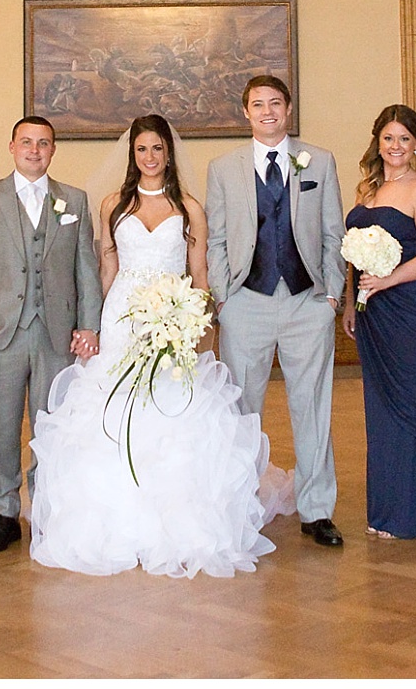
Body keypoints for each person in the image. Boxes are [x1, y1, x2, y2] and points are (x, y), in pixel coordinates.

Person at [31, 115, 287, 577]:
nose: (149, 158)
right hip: (122, 318)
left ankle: (179, 525)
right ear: (133, 155)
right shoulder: (113, 204)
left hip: (173, 319)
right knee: (110, 413)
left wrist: (194, 327)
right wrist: (92, 325)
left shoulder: (189, 207)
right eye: (141, 150)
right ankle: (112, 523)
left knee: (173, 414)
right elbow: (104, 271)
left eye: (157, 149)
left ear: (169, 153)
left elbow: (201, 277)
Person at [205, 75, 347, 547]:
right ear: (245, 112)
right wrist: (224, 296)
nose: (267, 111)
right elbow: (218, 239)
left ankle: (317, 508)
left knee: (312, 406)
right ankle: (241, 504)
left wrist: (331, 295)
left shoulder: (319, 161)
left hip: (308, 302)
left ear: (288, 108)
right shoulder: (223, 168)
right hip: (247, 303)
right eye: (257, 104)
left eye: (275, 103)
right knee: (243, 410)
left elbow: (332, 232)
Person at [0, 116, 103, 555]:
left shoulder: (73, 199)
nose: (34, 150)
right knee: (1, 425)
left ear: (53, 150)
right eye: (26, 142)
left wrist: (89, 324)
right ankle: (3, 513)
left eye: (43, 143)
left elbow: (86, 269)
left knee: (51, 425)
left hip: (55, 332)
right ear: (11, 147)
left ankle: (47, 508)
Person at [339, 104, 416, 541]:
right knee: (379, 410)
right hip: (371, 313)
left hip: (411, 309)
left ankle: (413, 514)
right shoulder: (367, 188)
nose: (396, 146)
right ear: (377, 142)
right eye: (389, 138)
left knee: (413, 407)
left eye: (405, 138)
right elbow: (352, 252)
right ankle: (384, 510)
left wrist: (388, 280)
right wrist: (352, 301)